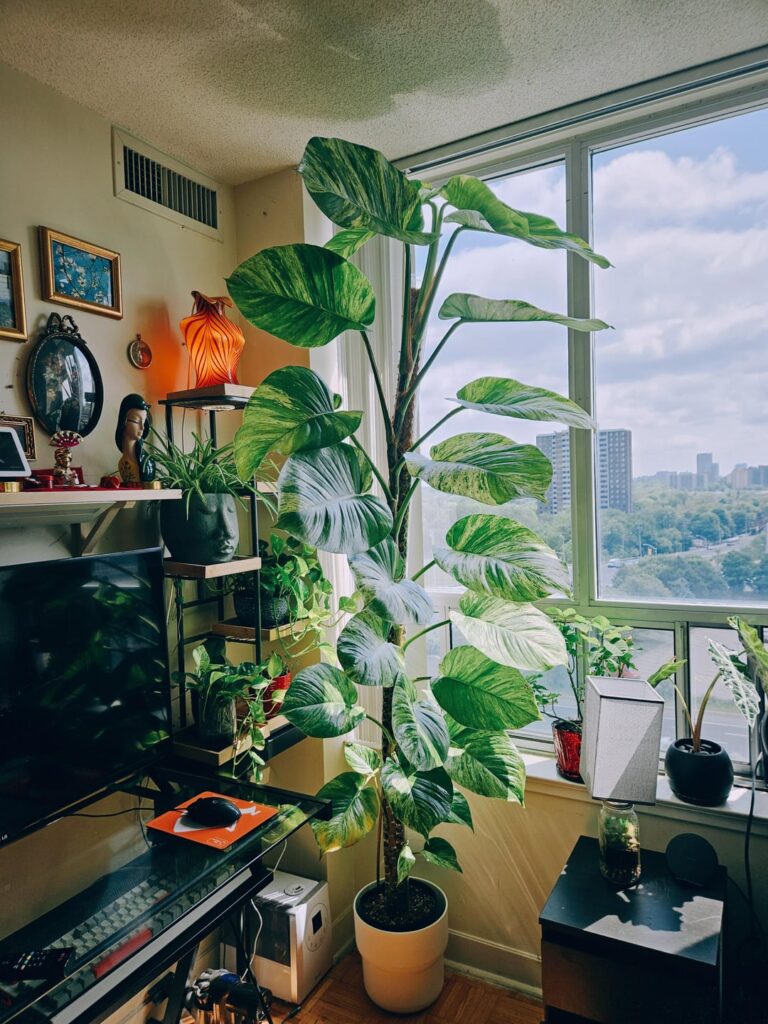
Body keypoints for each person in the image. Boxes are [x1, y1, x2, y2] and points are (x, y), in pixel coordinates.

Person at [115, 394, 155, 484]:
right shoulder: (122, 462)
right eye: (136, 421)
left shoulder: (146, 462)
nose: (142, 427)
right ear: (124, 421)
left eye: (143, 422)